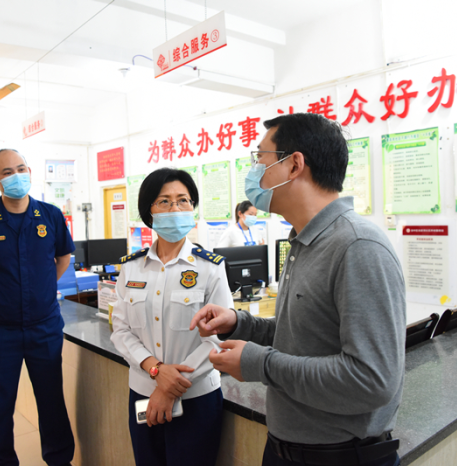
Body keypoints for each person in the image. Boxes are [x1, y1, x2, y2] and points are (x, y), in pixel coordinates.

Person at [190, 113, 406, 466]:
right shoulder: (304, 241)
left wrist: (259, 364)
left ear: (294, 165)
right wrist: (239, 324)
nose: (254, 170)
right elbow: (302, 335)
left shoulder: (357, 246)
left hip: (339, 458)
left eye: (260, 158)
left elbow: (372, 380)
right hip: (286, 450)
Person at [0, 148, 75, 466]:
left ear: (30, 172)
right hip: (1, 330)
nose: (16, 176)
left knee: (51, 402)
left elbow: (63, 256)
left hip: (45, 327)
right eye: (7, 172)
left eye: (21, 169)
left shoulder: (50, 215)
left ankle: (59, 460)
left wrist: (43, 286)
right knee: (0, 405)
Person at [111, 168, 233, 466]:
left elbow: (218, 339)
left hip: (197, 398)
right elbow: (121, 330)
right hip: (143, 392)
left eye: (183, 200)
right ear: (149, 211)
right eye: (164, 201)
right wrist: (156, 371)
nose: (175, 208)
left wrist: (171, 386)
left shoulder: (210, 267)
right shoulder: (132, 268)